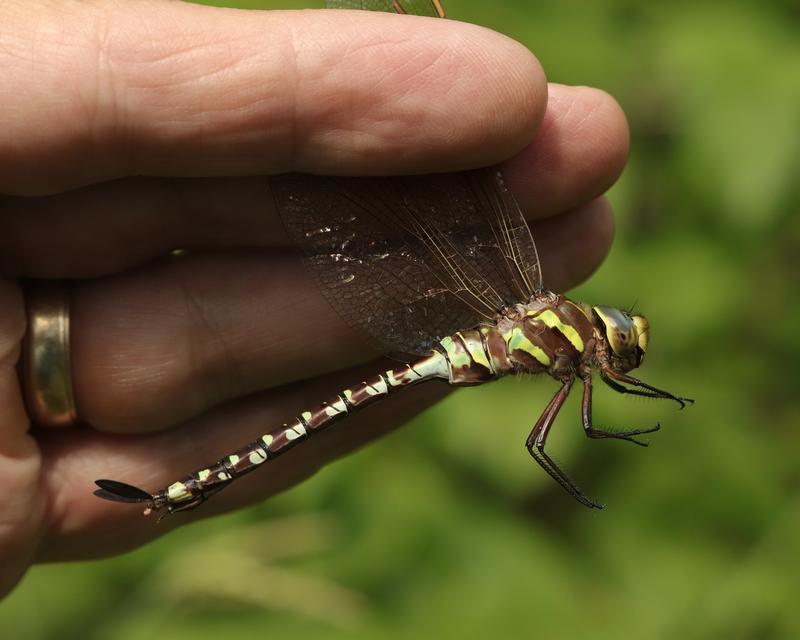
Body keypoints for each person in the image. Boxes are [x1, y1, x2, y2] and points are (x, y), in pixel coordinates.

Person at [0, 0, 628, 598]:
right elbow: (567, 426)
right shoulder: (555, 328)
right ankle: (185, 489)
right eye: (618, 339)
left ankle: (182, 491)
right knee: (464, 91)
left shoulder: (551, 324)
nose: (614, 345)